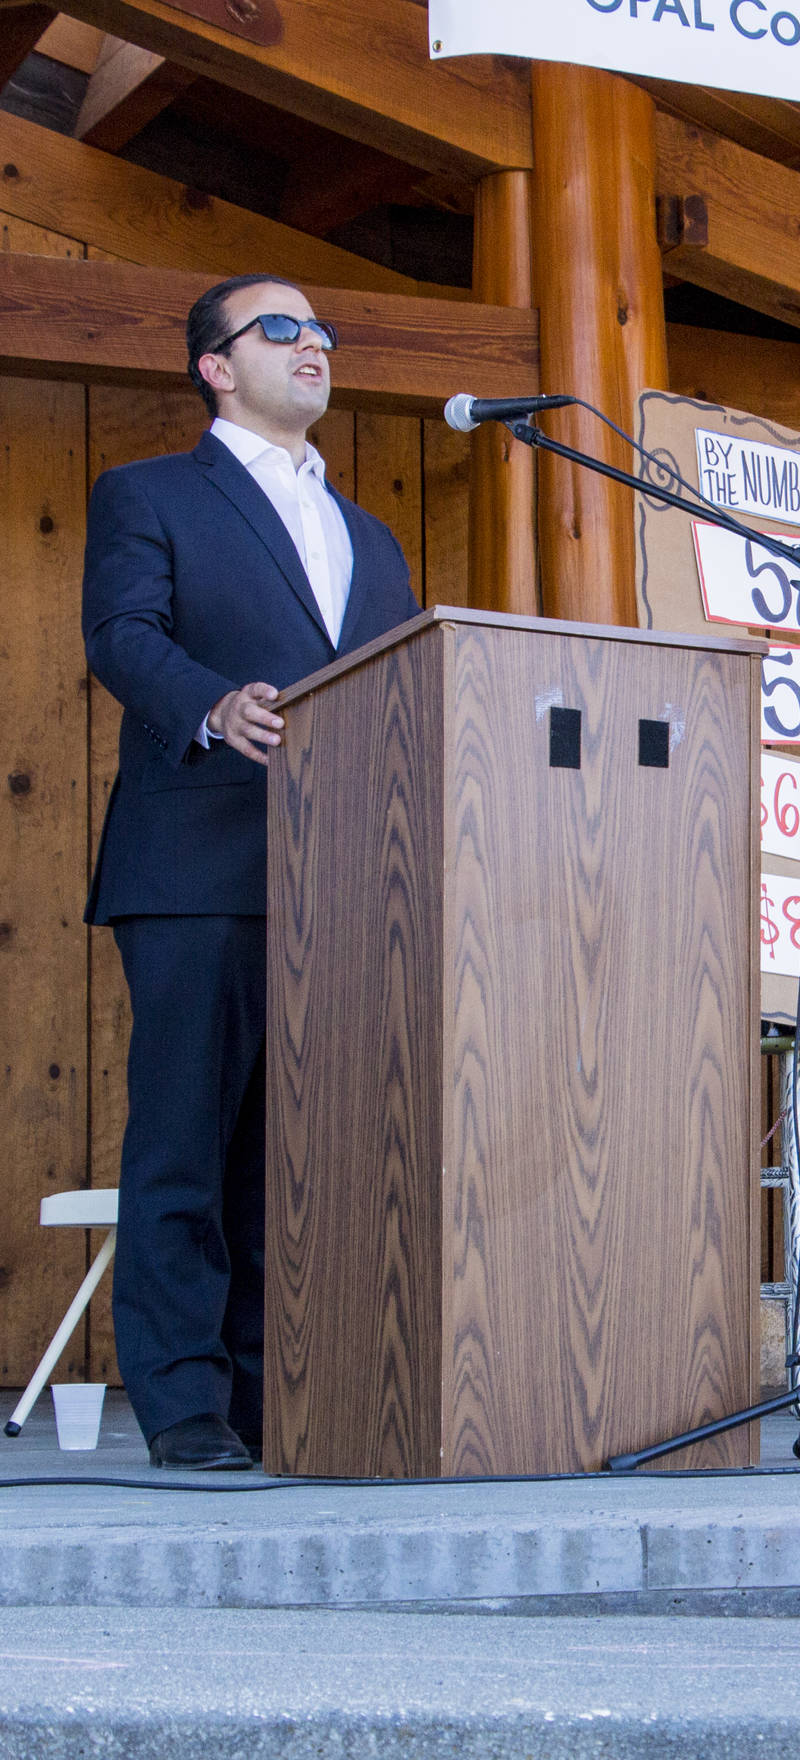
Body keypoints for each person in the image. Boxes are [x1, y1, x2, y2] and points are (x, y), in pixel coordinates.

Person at [82, 273, 420, 1470]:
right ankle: (182, 1405)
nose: (312, 341)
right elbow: (122, 633)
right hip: (195, 861)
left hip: (341, 883)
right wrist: (213, 706)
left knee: (296, 1153)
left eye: (324, 327)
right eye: (279, 327)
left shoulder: (367, 534)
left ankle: (278, 1401)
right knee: (185, 1140)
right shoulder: (151, 494)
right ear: (215, 367)